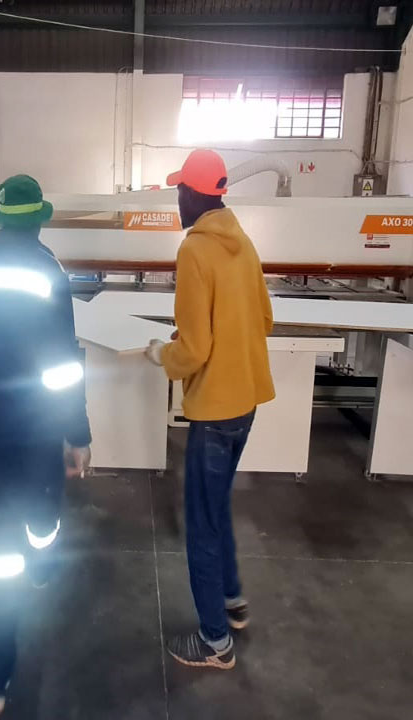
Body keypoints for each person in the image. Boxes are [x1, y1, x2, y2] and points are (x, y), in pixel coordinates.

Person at [0, 174, 92, 715]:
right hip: (39, 423)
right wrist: (78, 434)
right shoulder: (50, 272)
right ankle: (44, 565)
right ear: (37, 222)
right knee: (44, 508)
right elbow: (63, 364)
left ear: (1, 221)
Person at [146, 150, 275, 670]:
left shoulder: (194, 250)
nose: (177, 199)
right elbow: (264, 318)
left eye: (180, 190)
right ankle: (232, 601)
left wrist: (163, 354)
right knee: (216, 506)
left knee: (200, 523)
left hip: (215, 410)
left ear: (194, 194)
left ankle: (215, 642)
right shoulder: (242, 241)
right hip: (245, 401)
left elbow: (195, 350)